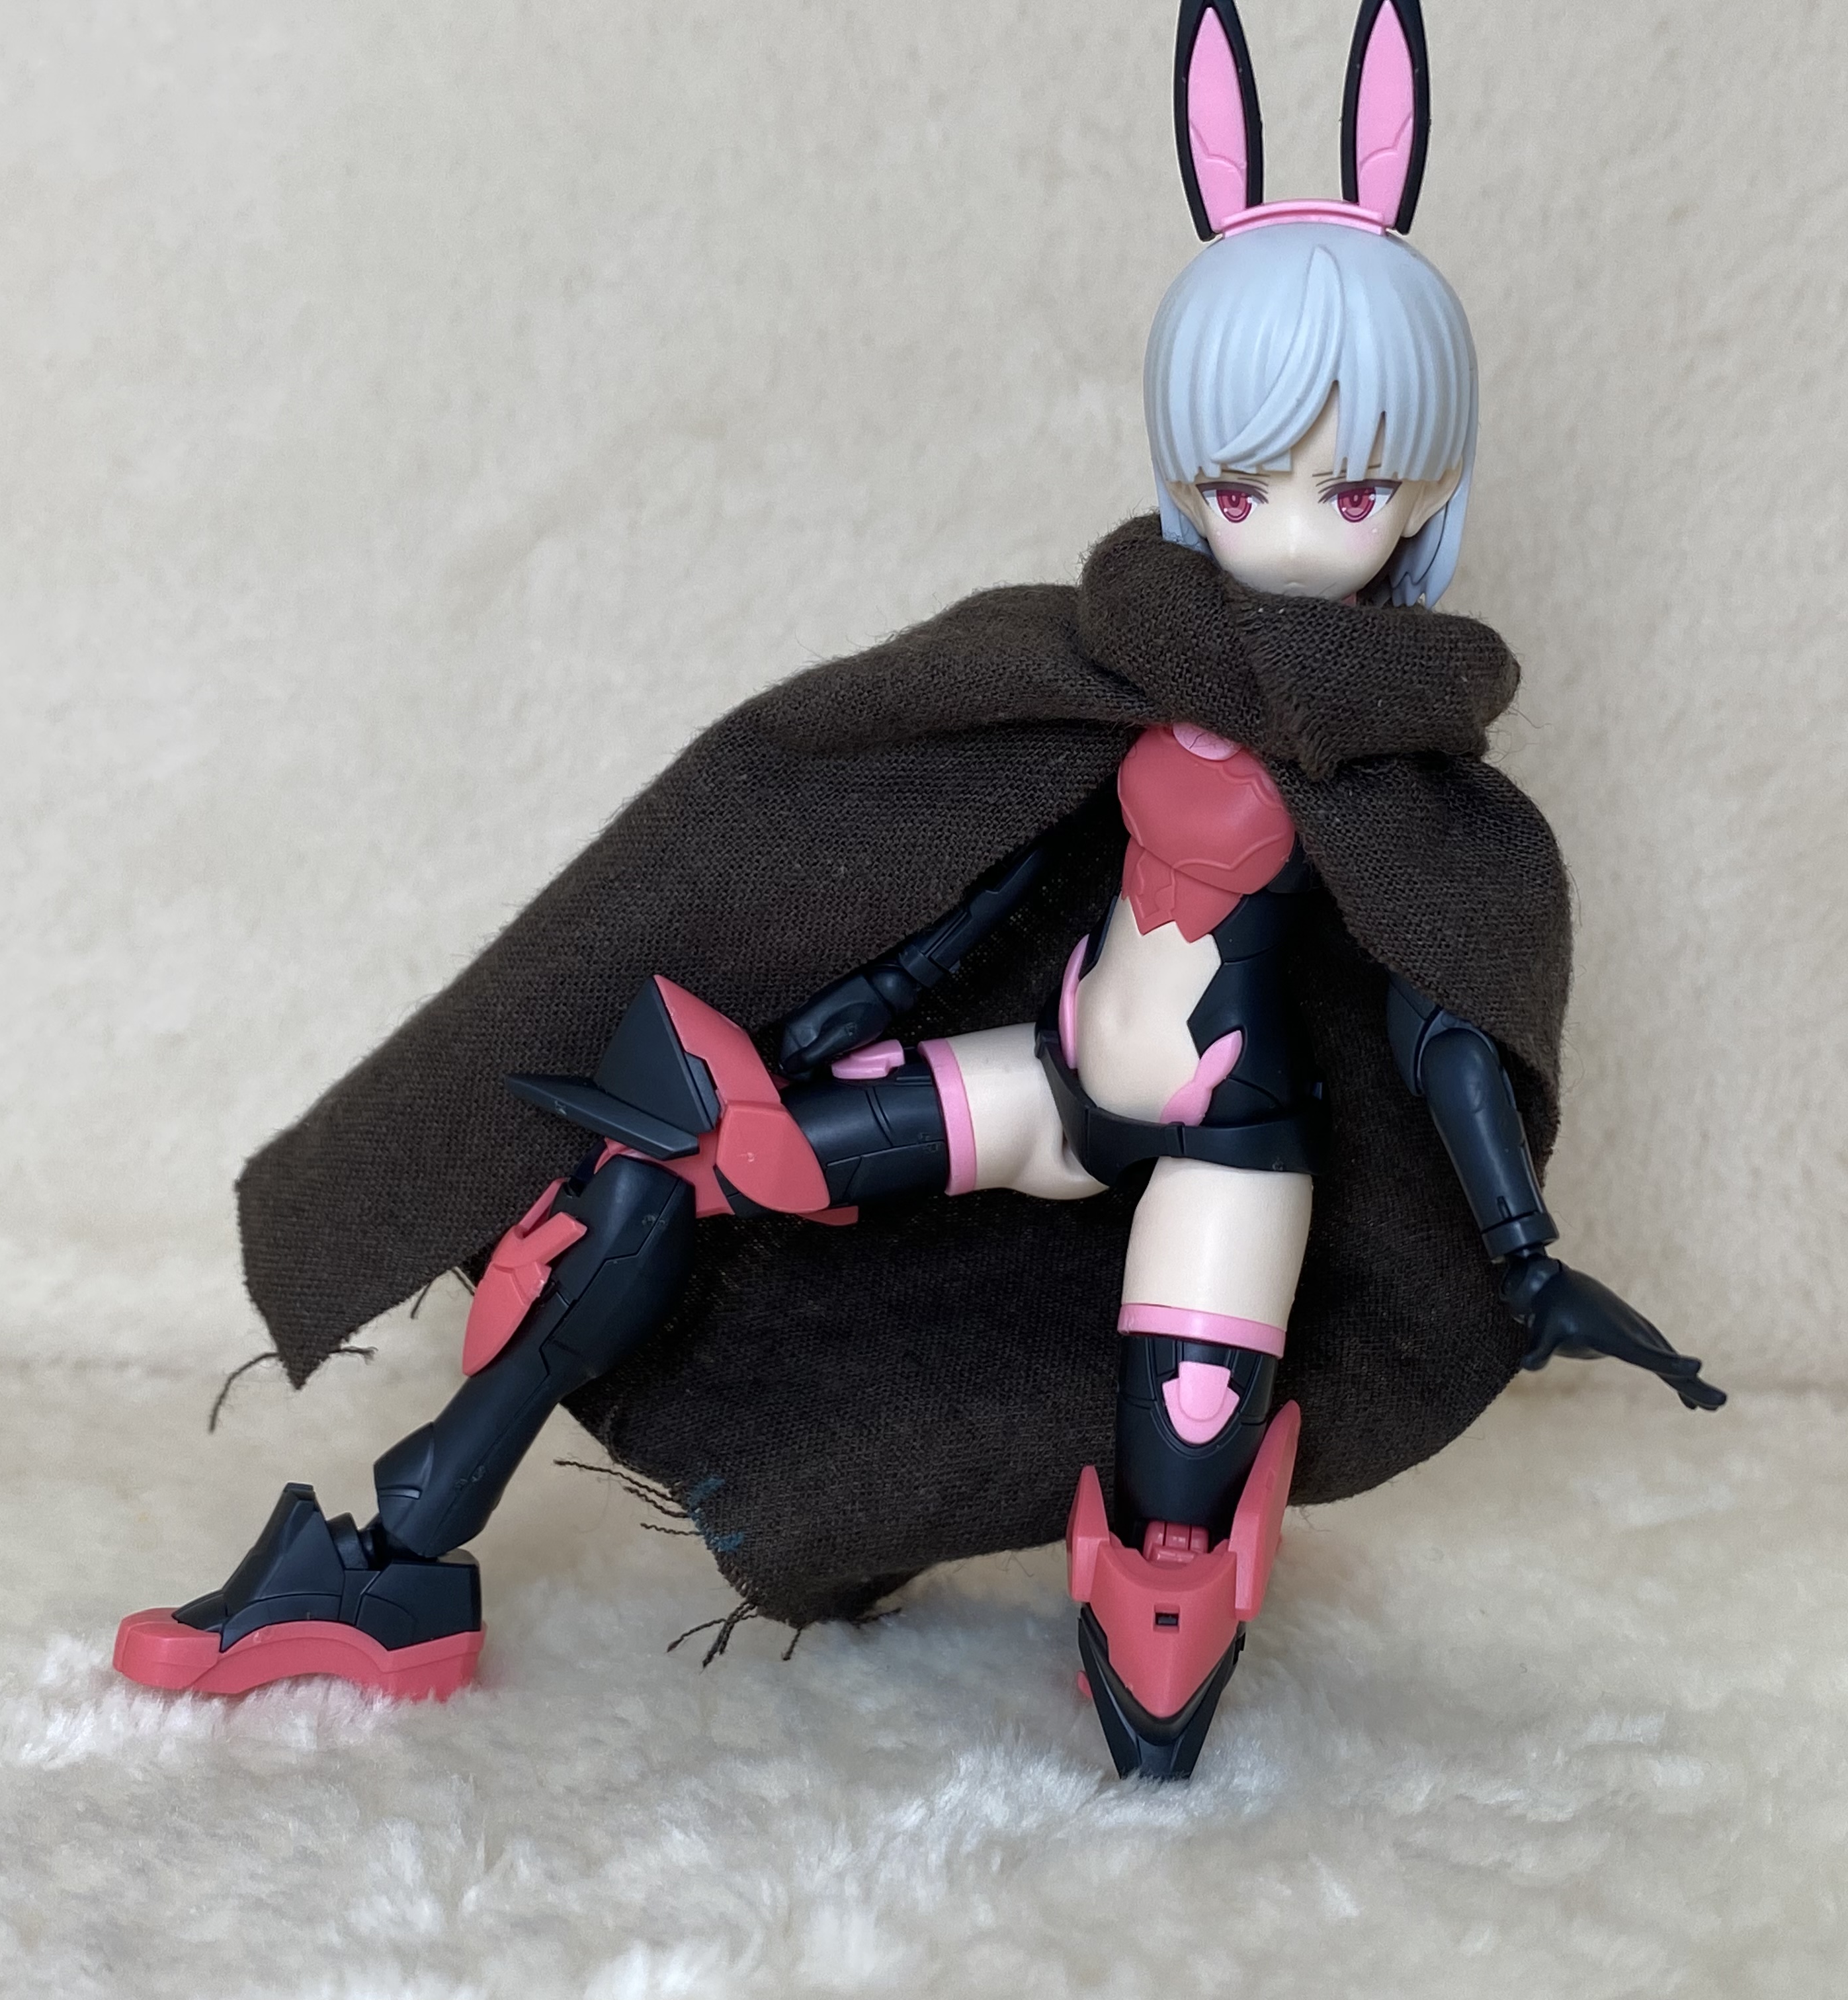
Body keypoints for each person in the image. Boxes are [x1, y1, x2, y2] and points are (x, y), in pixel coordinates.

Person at [114, 0, 1720, 1781]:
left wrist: (1520, 1251)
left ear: (1425, 489)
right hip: (1046, 1078)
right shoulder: (1098, 672)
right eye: (1241, 476)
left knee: (1175, 1521)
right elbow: (984, 870)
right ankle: (395, 1562)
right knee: (662, 1167)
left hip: (1230, 1152)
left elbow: (1440, 1018)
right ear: (1182, 470)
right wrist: (829, 1019)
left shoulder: (1404, 785)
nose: (1287, 525)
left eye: (1348, 490)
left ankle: (1155, 1718)